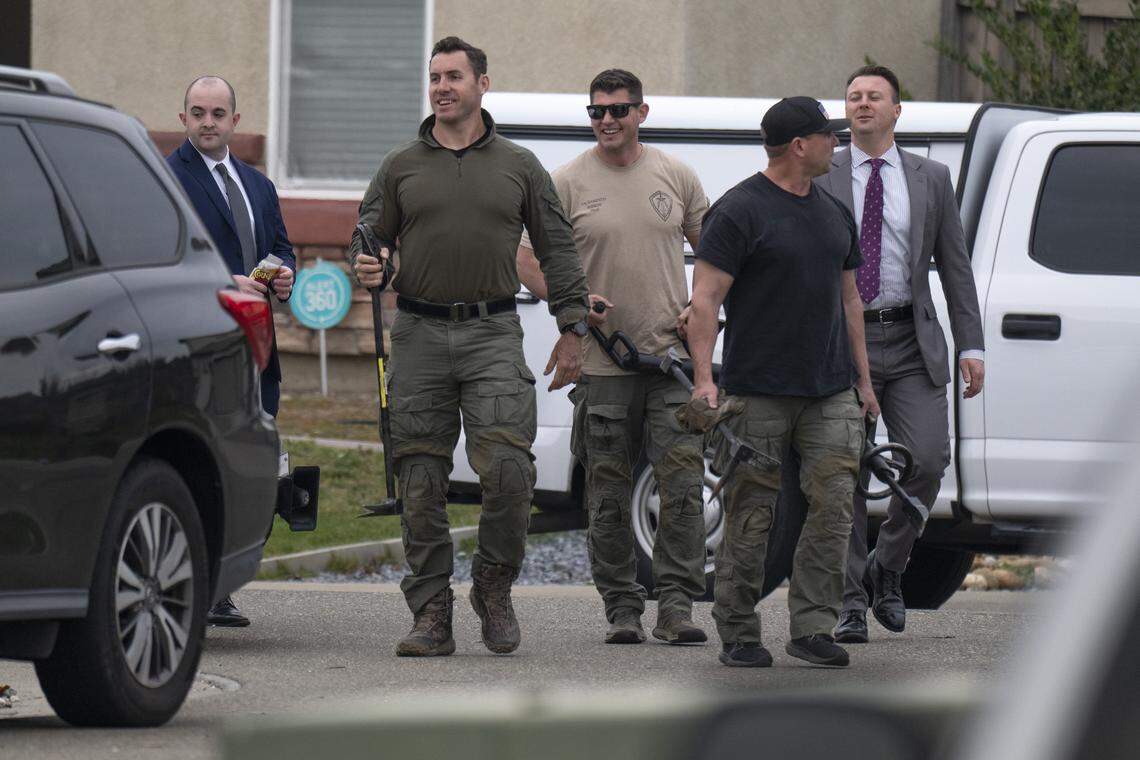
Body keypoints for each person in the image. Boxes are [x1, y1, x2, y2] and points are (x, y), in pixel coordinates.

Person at [349, 37, 589, 657]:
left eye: (454, 76)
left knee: (510, 472)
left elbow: (558, 247)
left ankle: (493, 587)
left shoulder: (519, 164)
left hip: (492, 332)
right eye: (434, 77)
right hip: (419, 334)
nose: (442, 87)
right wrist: (367, 263)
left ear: (483, 83)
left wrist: (572, 326)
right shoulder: (402, 164)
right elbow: (367, 234)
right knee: (421, 478)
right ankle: (431, 611)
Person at [517, 69, 709, 646]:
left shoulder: (675, 176)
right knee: (606, 492)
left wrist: (700, 309)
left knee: (680, 488)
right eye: (597, 111)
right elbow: (526, 260)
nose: (606, 120)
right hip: (603, 368)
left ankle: (676, 608)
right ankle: (622, 606)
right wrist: (571, 300)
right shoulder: (567, 181)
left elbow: (717, 256)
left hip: (669, 363)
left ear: (641, 113)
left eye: (618, 110)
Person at [687, 97, 879, 668]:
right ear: (800, 145)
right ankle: (740, 632)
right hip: (759, 392)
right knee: (753, 516)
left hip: (829, 392)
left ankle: (813, 628)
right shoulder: (739, 211)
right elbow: (705, 301)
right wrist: (704, 380)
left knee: (834, 509)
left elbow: (851, 301)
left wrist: (863, 383)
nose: (837, 145)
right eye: (829, 137)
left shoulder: (832, 211)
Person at [815, 65, 984, 644]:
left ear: (896, 110)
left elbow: (955, 267)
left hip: (912, 341)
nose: (861, 105)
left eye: (873, 97)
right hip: (841, 345)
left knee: (929, 461)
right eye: (853, 97)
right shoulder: (823, 173)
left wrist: (973, 344)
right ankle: (852, 601)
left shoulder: (931, 177)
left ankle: (888, 565)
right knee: (846, 475)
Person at [167, 75, 296, 628]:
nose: (208, 122)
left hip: (258, 350)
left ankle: (223, 584)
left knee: (250, 466)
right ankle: (193, 588)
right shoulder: (167, 179)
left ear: (236, 121)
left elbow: (281, 246)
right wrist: (226, 280)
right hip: (201, 346)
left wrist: (285, 275)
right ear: (184, 118)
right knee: (202, 464)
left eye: (218, 113)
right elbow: (165, 256)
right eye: (198, 112)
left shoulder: (257, 185)